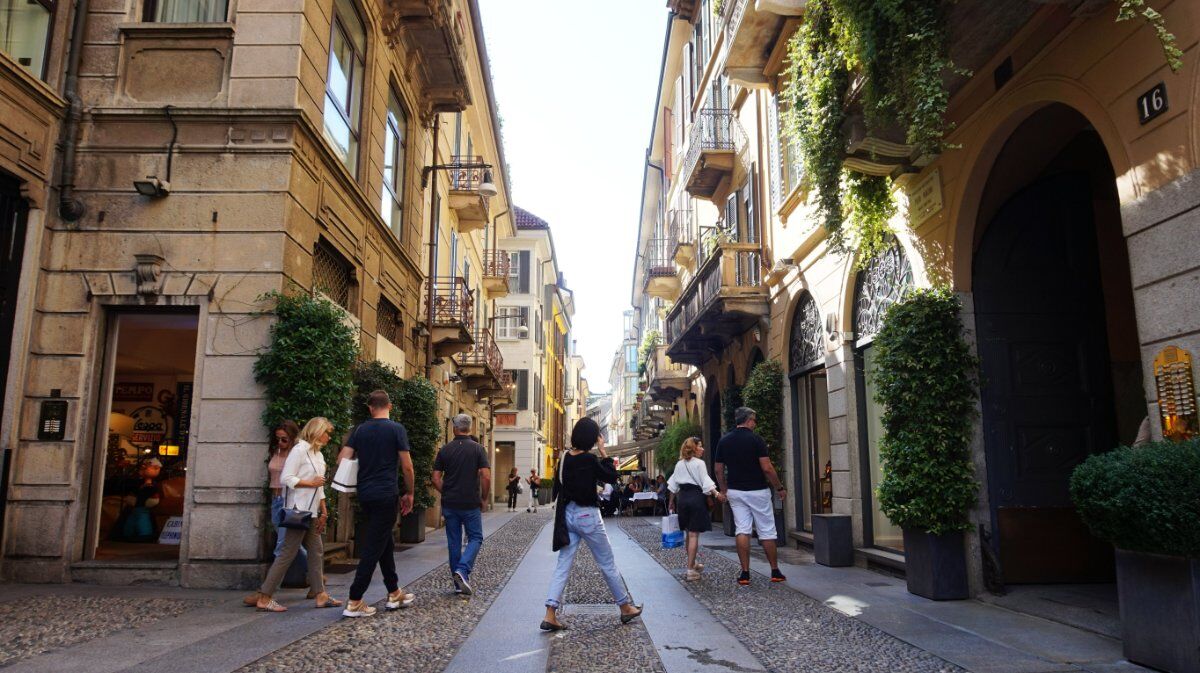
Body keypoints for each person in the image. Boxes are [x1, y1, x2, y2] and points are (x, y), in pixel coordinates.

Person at [541, 418, 643, 631]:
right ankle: (625, 607)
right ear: (592, 438)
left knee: (563, 564)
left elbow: (559, 488)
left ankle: (550, 612)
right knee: (606, 562)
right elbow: (611, 476)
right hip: (587, 515)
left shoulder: (564, 459)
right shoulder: (589, 459)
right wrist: (604, 450)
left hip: (567, 515)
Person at [338, 390, 416, 617]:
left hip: (365, 493)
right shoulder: (396, 429)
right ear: (389, 406)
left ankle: (394, 592)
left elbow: (342, 459)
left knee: (384, 542)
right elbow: (407, 466)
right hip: (386, 493)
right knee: (373, 547)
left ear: (370, 407)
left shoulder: (360, 430)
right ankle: (355, 600)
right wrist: (409, 493)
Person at [252, 417, 341, 612]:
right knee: (287, 553)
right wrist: (310, 484)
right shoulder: (299, 450)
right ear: (317, 432)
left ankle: (320, 594)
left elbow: (320, 486)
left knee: (316, 552)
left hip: (312, 511)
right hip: (297, 510)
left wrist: (324, 510)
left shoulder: (318, 455)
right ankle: (265, 596)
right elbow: (286, 478)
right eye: (326, 432)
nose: (328, 437)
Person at [714, 406, 788, 586]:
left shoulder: (724, 441)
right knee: (767, 530)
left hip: (735, 491)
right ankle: (775, 571)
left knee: (742, 530)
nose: (755, 423)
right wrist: (779, 487)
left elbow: (718, 469)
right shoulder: (756, 440)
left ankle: (745, 573)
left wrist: (724, 489)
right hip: (758, 491)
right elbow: (767, 468)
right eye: (754, 420)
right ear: (748, 420)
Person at [243, 421, 305, 607]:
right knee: (292, 544)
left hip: (289, 502)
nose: (280, 442)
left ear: (293, 438)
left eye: (284, 439)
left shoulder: (297, 454)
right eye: (277, 439)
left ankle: (266, 591)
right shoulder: (276, 452)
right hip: (276, 501)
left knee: (282, 547)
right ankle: (316, 575)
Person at [432, 414, 491, 596]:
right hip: (470, 502)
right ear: (470, 428)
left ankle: (458, 585)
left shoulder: (445, 450)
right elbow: (486, 475)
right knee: (476, 538)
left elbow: (435, 478)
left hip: (450, 503)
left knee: (454, 542)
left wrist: (447, 492)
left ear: (454, 429)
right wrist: (484, 498)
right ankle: (463, 570)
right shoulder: (478, 449)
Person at [668, 437, 726, 581]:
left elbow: (673, 485)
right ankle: (690, 570)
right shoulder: (700, 463)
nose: (703, 449)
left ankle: (692, 564)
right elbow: (706, 482)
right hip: (695, 498)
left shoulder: (679, 464)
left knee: (689, 534)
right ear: (694, 448)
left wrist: (671, 502)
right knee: (694, 535)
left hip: (682, 499)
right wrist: (717, 494)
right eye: (700, 446)